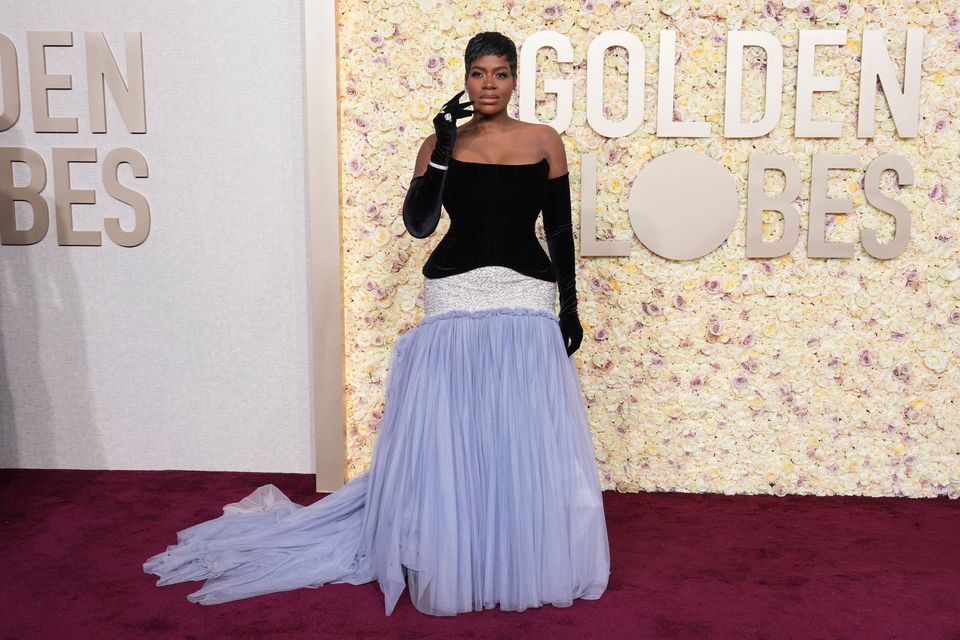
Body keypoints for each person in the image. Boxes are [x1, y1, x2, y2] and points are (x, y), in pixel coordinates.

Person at [143, 31, 610, 617]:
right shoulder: (436, 144)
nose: (488, 84)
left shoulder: (545, 141)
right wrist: (442, 147)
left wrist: (569, 306)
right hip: (454, 292)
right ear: (464, 79)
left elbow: (560, 230)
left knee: (520, 427)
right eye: (478, 73)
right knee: (454, 427)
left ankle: (513, 548)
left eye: (500, 73)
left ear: (516, 79)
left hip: (527, 293)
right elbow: (419, 225)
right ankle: (453, 548)